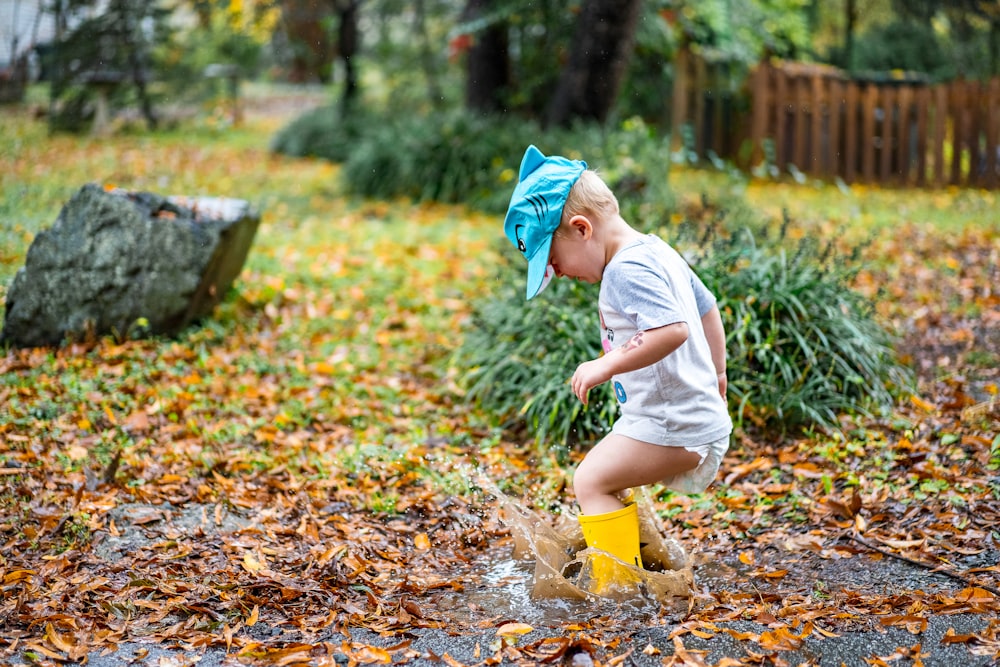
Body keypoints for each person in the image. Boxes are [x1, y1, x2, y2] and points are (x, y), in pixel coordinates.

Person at [502, 145, 732, 595]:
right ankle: (639, 559)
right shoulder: (656, 250)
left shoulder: (625, 270)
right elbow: (708, 308)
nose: (559, 275)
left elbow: (672, 330)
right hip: (684, 417)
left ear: (581, 229)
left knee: (589, 479)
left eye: (554, 261)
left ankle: (618, 593)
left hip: (674, 423)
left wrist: (606, 363)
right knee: (608, 480)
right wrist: (718, 376)